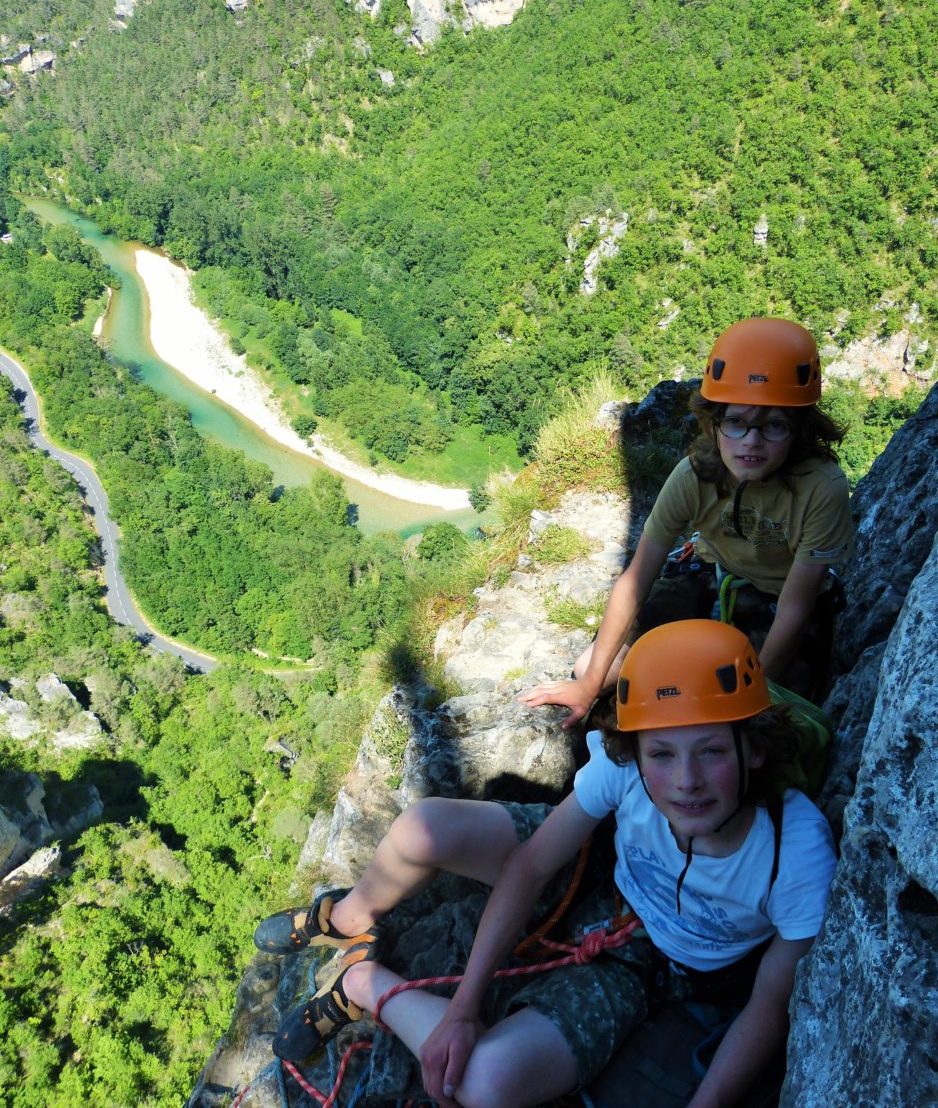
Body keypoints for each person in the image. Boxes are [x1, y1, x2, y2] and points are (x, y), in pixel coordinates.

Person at [253, 620, 837, 1108]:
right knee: (423, 826)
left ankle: (362, 984)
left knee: (482, 1081)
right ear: (638, 751)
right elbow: (532, 865)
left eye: (711, 750)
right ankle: (351, 916)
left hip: (648, 967)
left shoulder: (795, 851)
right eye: (662, 754)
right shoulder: (626, 768)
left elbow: (768, 1005)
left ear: (755, 748)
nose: (686, 781)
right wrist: (461, 1009)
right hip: (600, 871)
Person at [521, 317, 853, 726]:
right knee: (595, 665)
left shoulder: (821, 489)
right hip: (707, 572)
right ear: (713, 423)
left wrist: (753, 704)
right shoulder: (696, 475)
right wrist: (588, 685)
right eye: (736, 421)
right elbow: (636, 580)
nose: (751, 441)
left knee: (743, 704)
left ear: (799, 431)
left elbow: (795, 607)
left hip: (776, 599)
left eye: (774, 426)